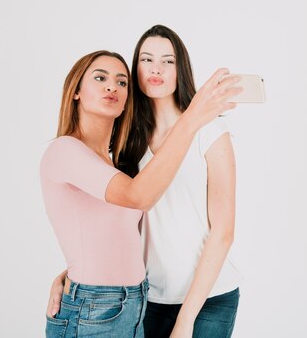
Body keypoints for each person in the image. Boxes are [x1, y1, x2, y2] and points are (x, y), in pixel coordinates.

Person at [42, 49, 239, 337]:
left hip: (134, 303)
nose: (113, 86)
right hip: (96, 308)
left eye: (122, 82)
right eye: (100, 78)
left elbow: (111, 236)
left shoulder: (114, 161)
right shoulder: (64, 150)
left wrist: (69, 273)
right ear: (76, 92)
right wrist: (193, 116)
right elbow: (139, 197)